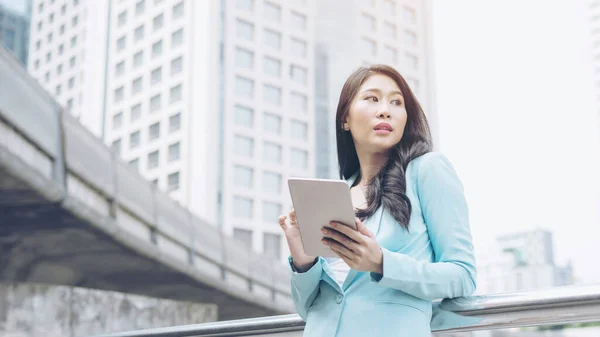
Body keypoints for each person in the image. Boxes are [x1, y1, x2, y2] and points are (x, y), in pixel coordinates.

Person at [278, 64, 477, 336]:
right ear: (345, 119)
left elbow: (463, 276)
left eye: (396, 102)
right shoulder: (337, 195)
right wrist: (304, 263)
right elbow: (310, 308)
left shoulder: (427, 171)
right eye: (372, 98)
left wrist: (381, 263)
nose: (385, 109)